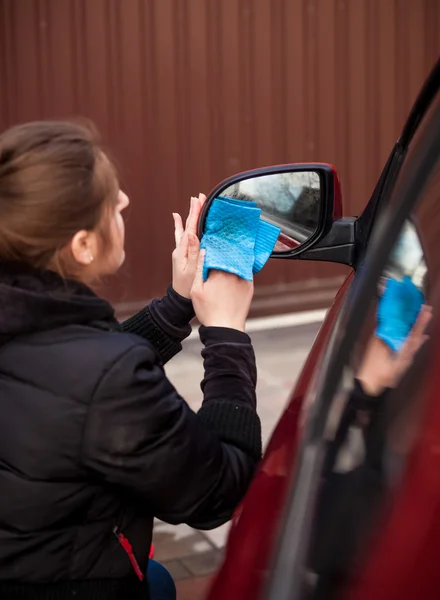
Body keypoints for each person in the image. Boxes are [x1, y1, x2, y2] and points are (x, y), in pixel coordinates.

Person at [0, 120, 261, 599]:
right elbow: (218, 490)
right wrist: (227, 335)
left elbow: (72, 379)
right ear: (82, 245)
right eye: (110, 201)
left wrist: (177, 303)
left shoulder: (26, 323)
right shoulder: (104, 375)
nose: (124, 202)